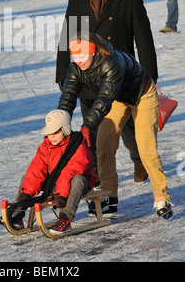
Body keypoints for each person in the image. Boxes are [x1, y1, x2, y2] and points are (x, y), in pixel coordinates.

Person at [56, 0, 158, 184]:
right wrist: (63, 74)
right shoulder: (78, 1)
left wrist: (150, 75)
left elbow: (144, 40)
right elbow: (67, 39)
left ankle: (139, 160)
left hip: (122, 74)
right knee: (91, 126)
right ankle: (96, 172)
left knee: (129, 127)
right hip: (88, 74)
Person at [58, 33, 173, 221]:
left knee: (145, 149)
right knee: (104, 145)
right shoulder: (76, 68)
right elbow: (68, 94)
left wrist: (87, 126)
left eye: (82, 56)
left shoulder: (110, 62)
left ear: (93, 52)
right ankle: (109, 195)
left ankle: (162, 198)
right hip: (119, 98)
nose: (79, 61)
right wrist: (60, 122)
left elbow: (104, 99)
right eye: (75, 57)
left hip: (143, 95)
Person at [5, 109, 97, 235]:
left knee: (78, 179)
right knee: (27, 177)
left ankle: (65, 219)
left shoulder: (78, 145)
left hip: (74, 186)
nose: (51, 136)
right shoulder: (46, 145)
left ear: (65, 129)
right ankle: (18, 215)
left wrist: (61, 196)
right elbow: (37, 168)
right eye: (49, 132)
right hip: (56, 184)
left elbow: (69, 173)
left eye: (55, 132)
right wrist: (25, 196)